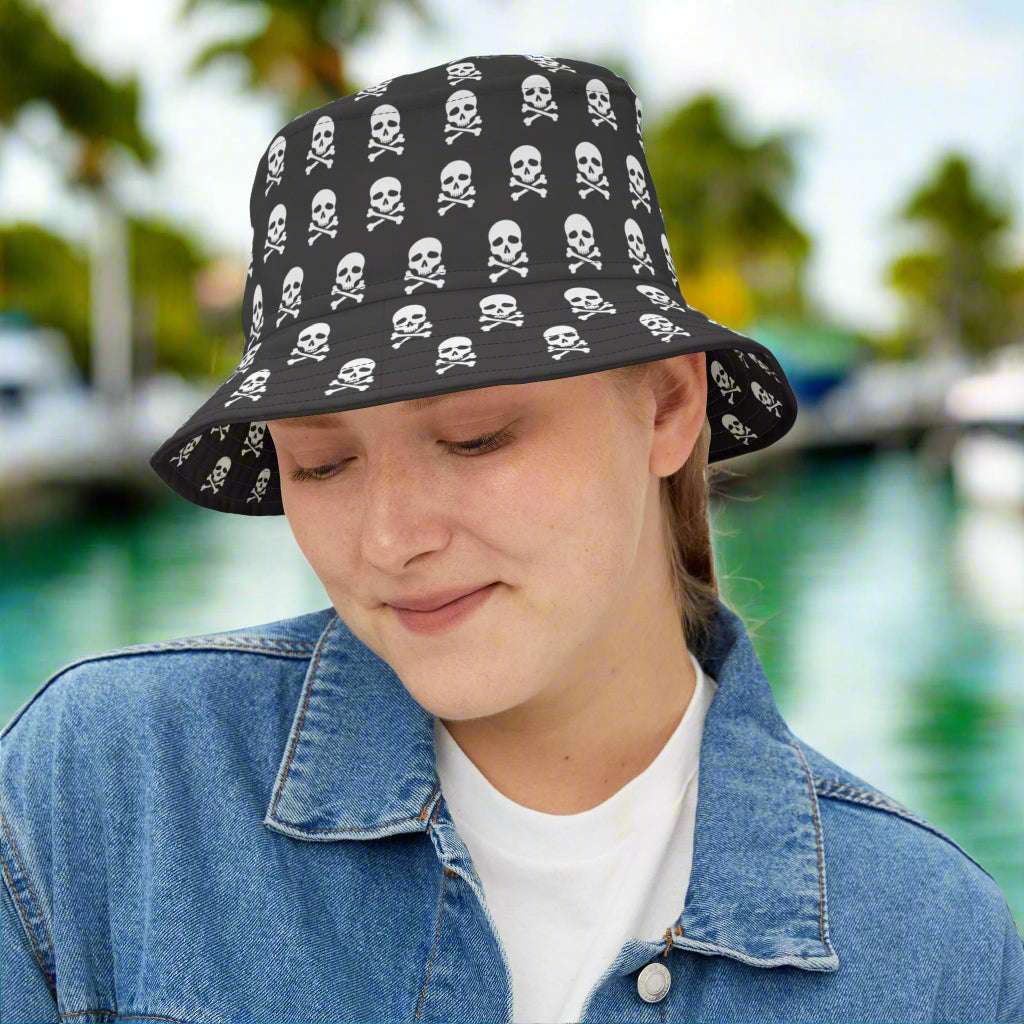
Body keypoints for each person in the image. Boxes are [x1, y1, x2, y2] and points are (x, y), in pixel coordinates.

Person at [2, 53, 1021, 1024]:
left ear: (668, 407)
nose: (391, 539)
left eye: (475, 437)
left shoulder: (933, 954)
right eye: (321, 463)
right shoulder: (103, 793)